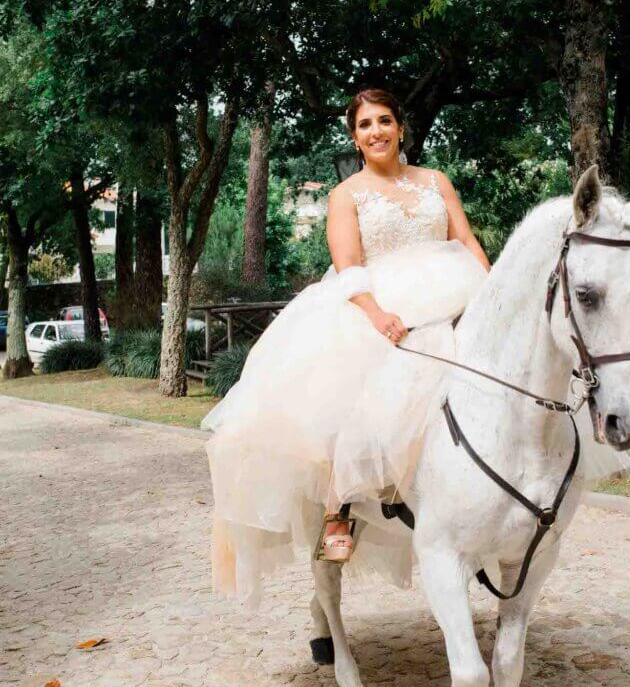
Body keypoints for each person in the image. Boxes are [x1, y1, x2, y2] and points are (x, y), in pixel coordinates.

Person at [202, 88, 490, 603]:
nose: (376, 131)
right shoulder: (347, 194)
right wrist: (378, 314)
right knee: (349, 384)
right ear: (354, 138)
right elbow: (350, 266)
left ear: (401, 127)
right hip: (376, 301)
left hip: (452, 290)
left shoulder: (435, 181)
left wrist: (490, 289)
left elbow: (465, 240)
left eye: (384, 121)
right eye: (364, 125)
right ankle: (338, 504)